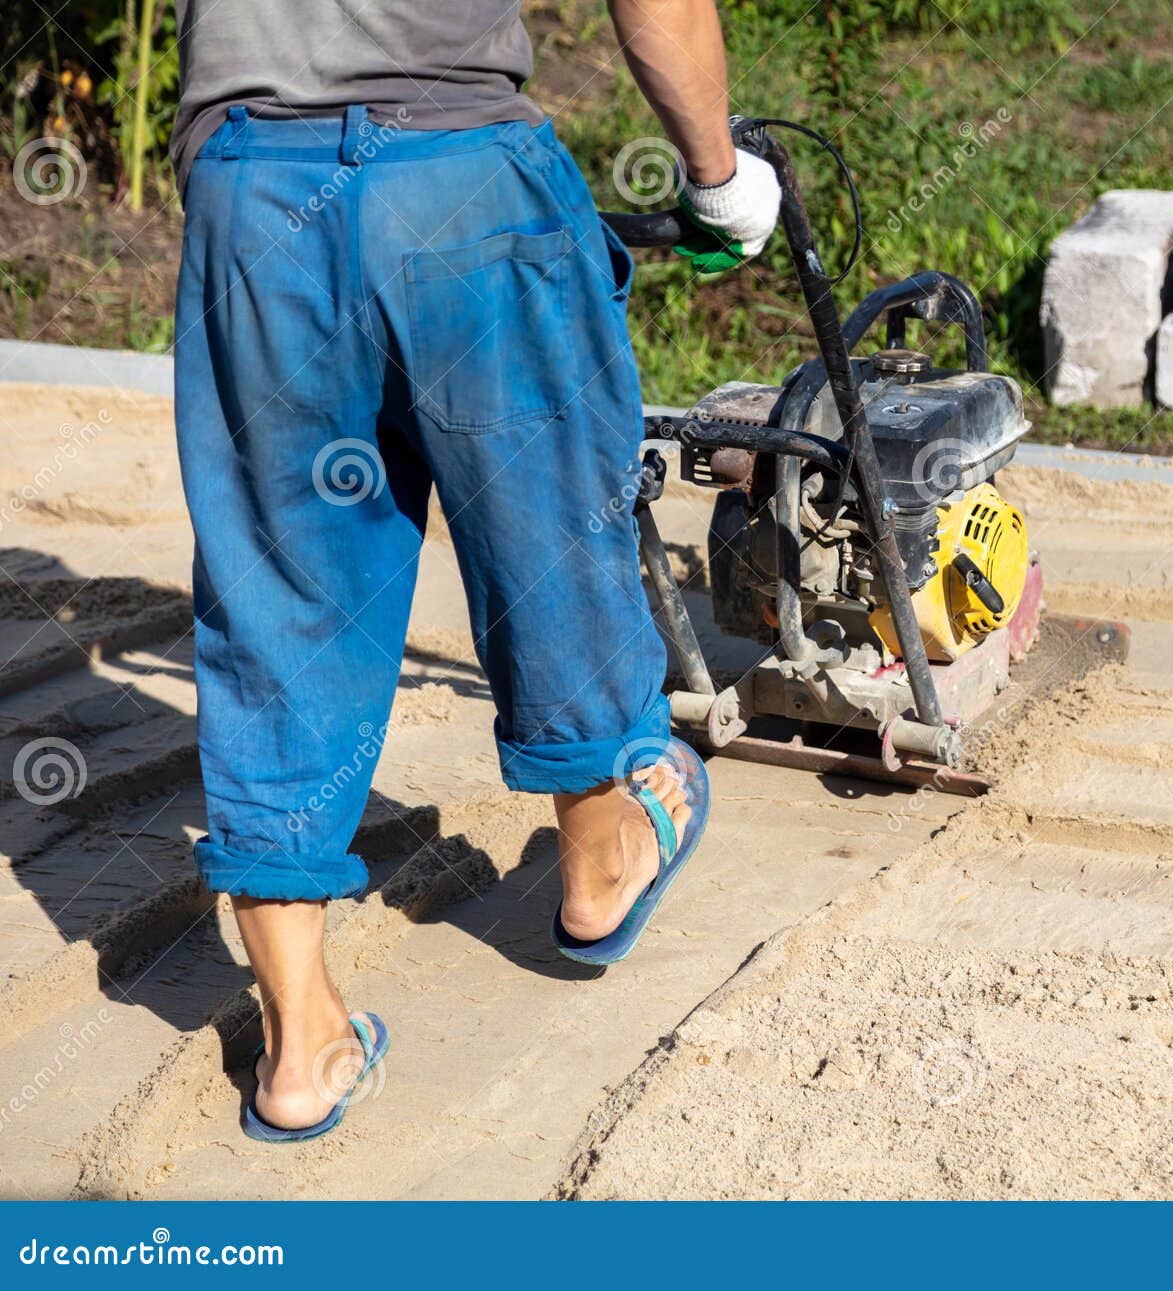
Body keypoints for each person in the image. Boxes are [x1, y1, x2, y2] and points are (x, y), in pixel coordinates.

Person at [169, 0, 780, 1140]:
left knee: (276, 595)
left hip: (256, 197)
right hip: (457, 168)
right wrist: (717, 175)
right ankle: (600, 868)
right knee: (548, 529)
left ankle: (301, 1049)